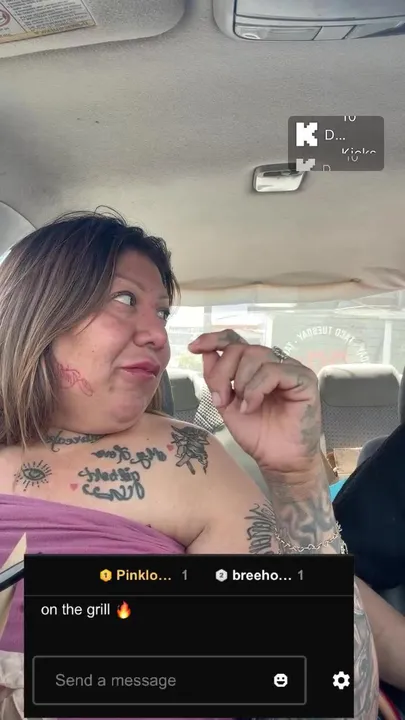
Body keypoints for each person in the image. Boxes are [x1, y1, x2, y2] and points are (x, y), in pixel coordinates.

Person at [0, 212, 378, 720]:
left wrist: (298, 477)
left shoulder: (187, 458)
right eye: (125, 299)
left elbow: (338, 702)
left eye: (161, 313)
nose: (158, 335)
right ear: (38, 310)